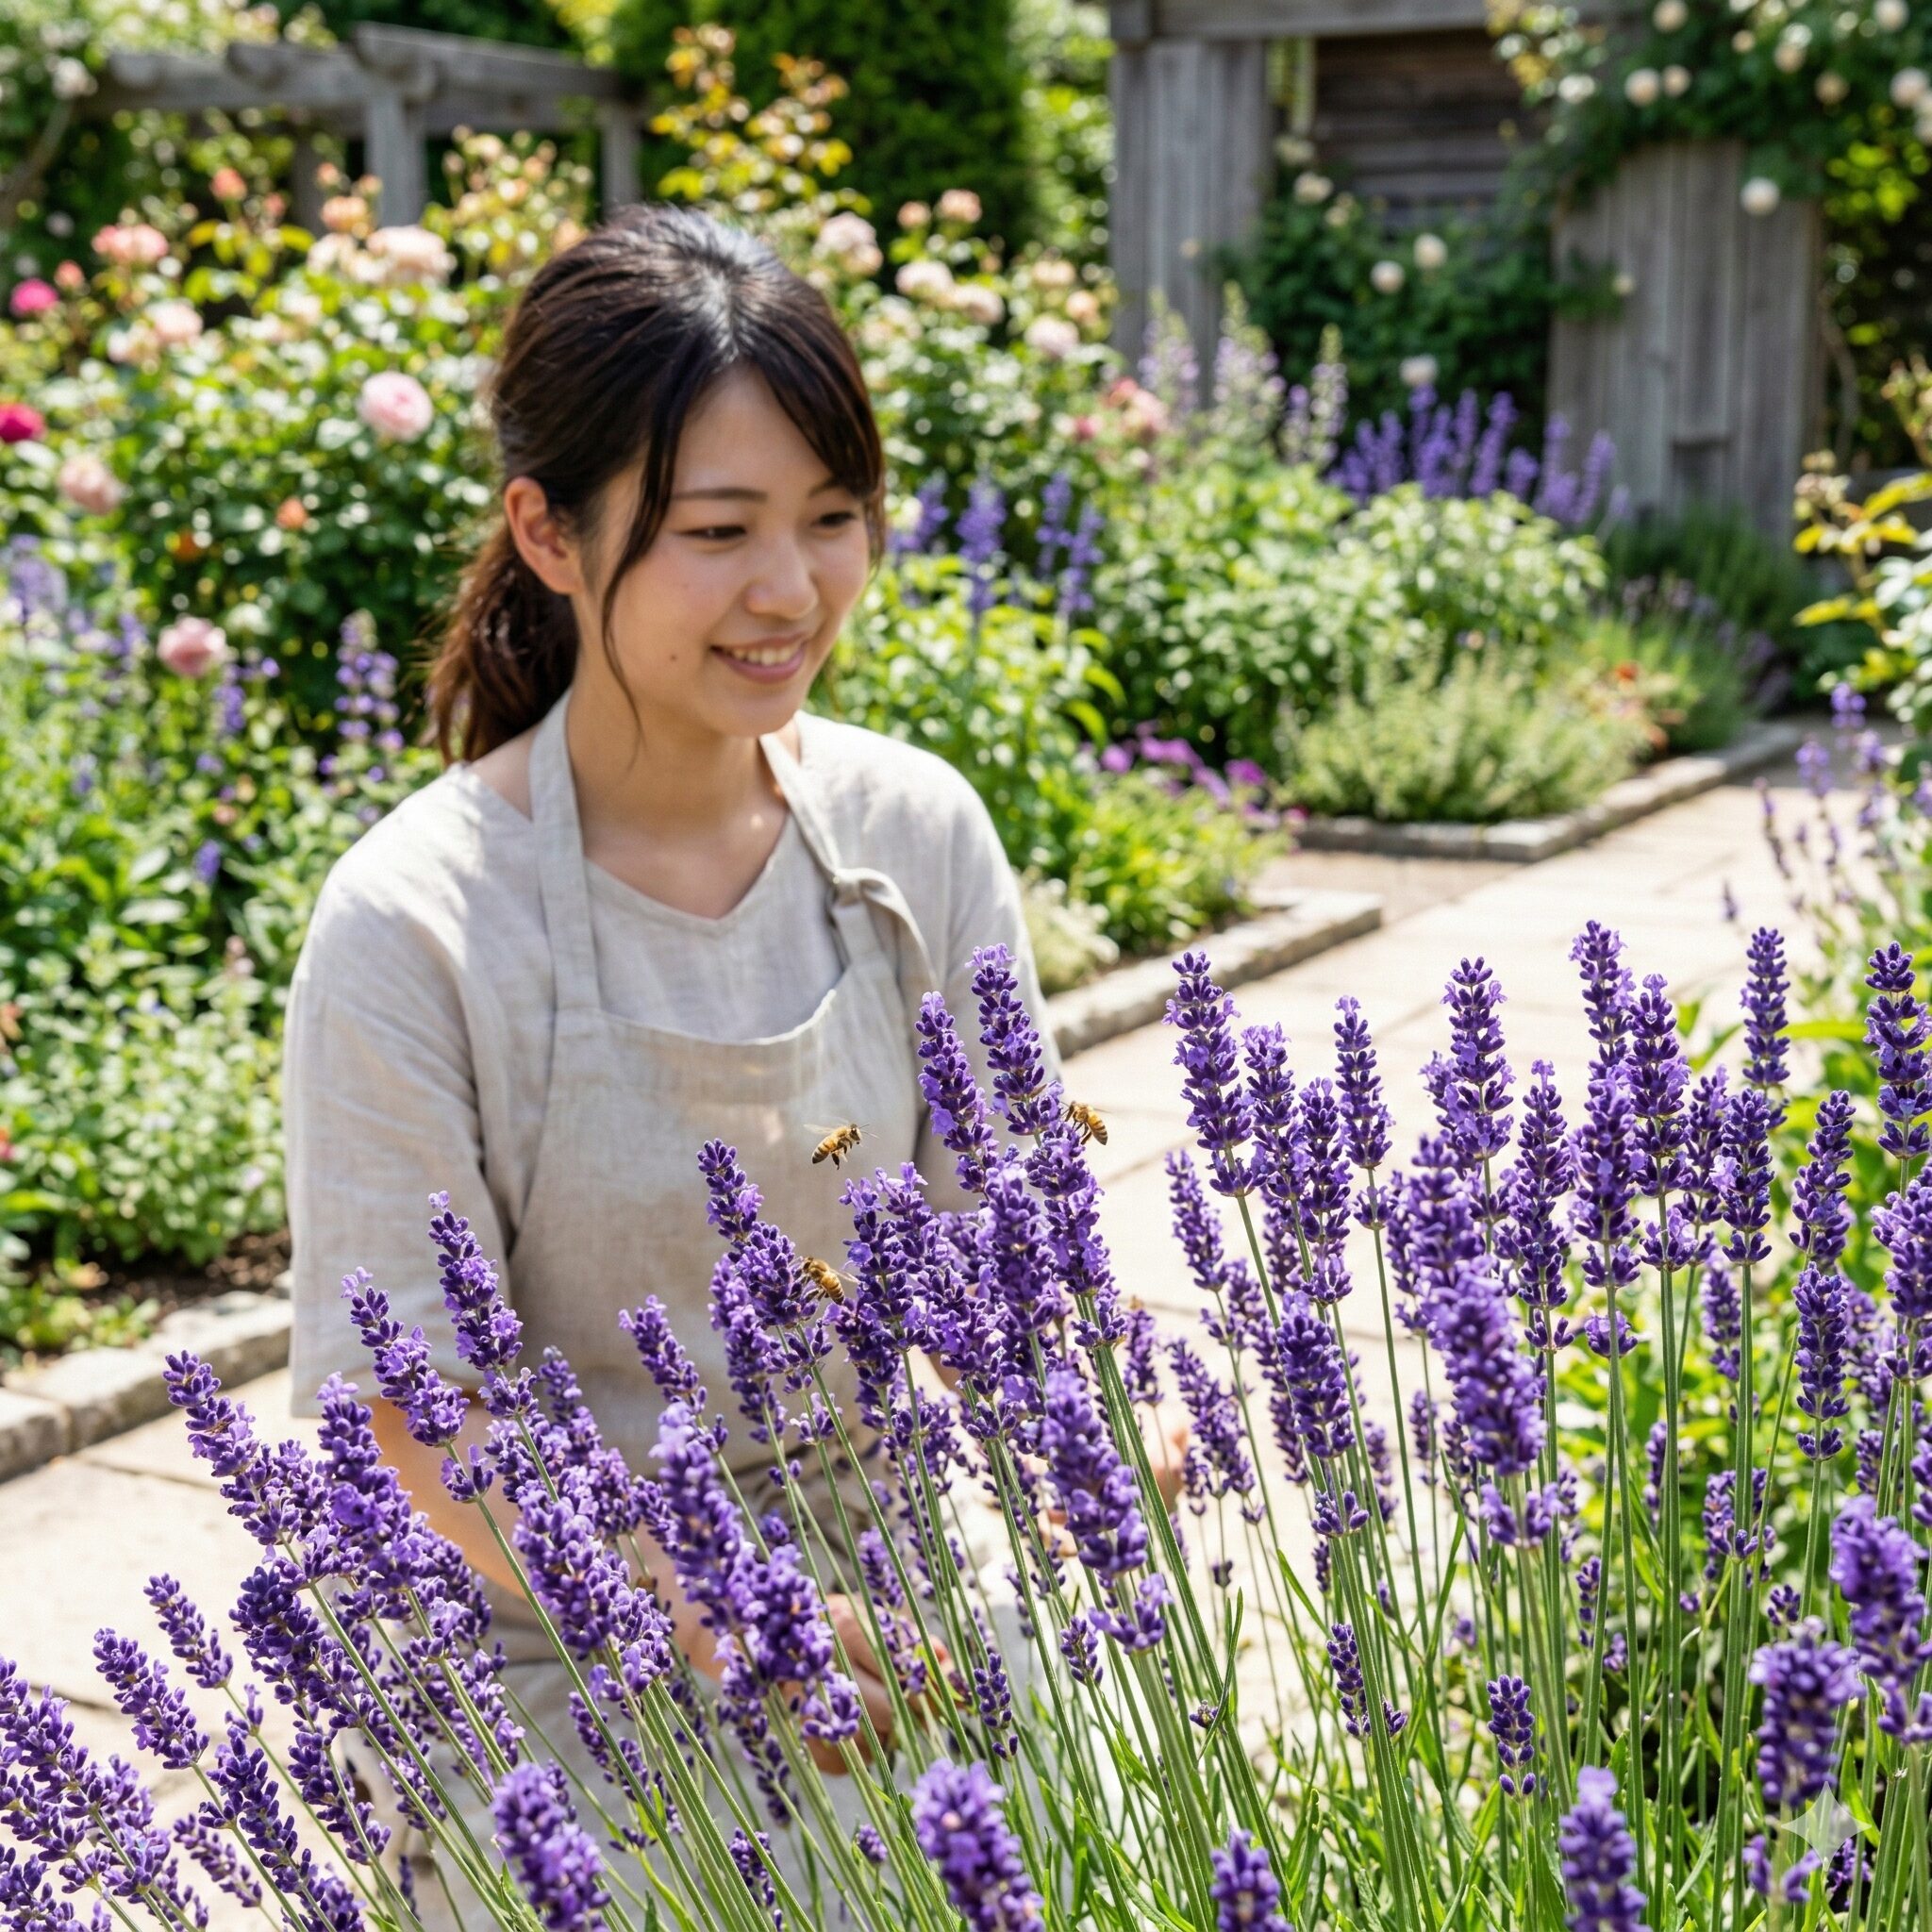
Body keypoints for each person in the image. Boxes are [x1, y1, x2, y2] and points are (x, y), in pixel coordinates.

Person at [285, 202, 1063, 1739]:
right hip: (557, 1634)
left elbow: (1016, 1238)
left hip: (892, 1579)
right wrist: (712, 1606)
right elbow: (410, 1413)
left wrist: (1082, 1436)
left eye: (833, 515)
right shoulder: (415, 923)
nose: (792, 588)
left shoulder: (917, 831)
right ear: (548, 534)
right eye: (717, 531)